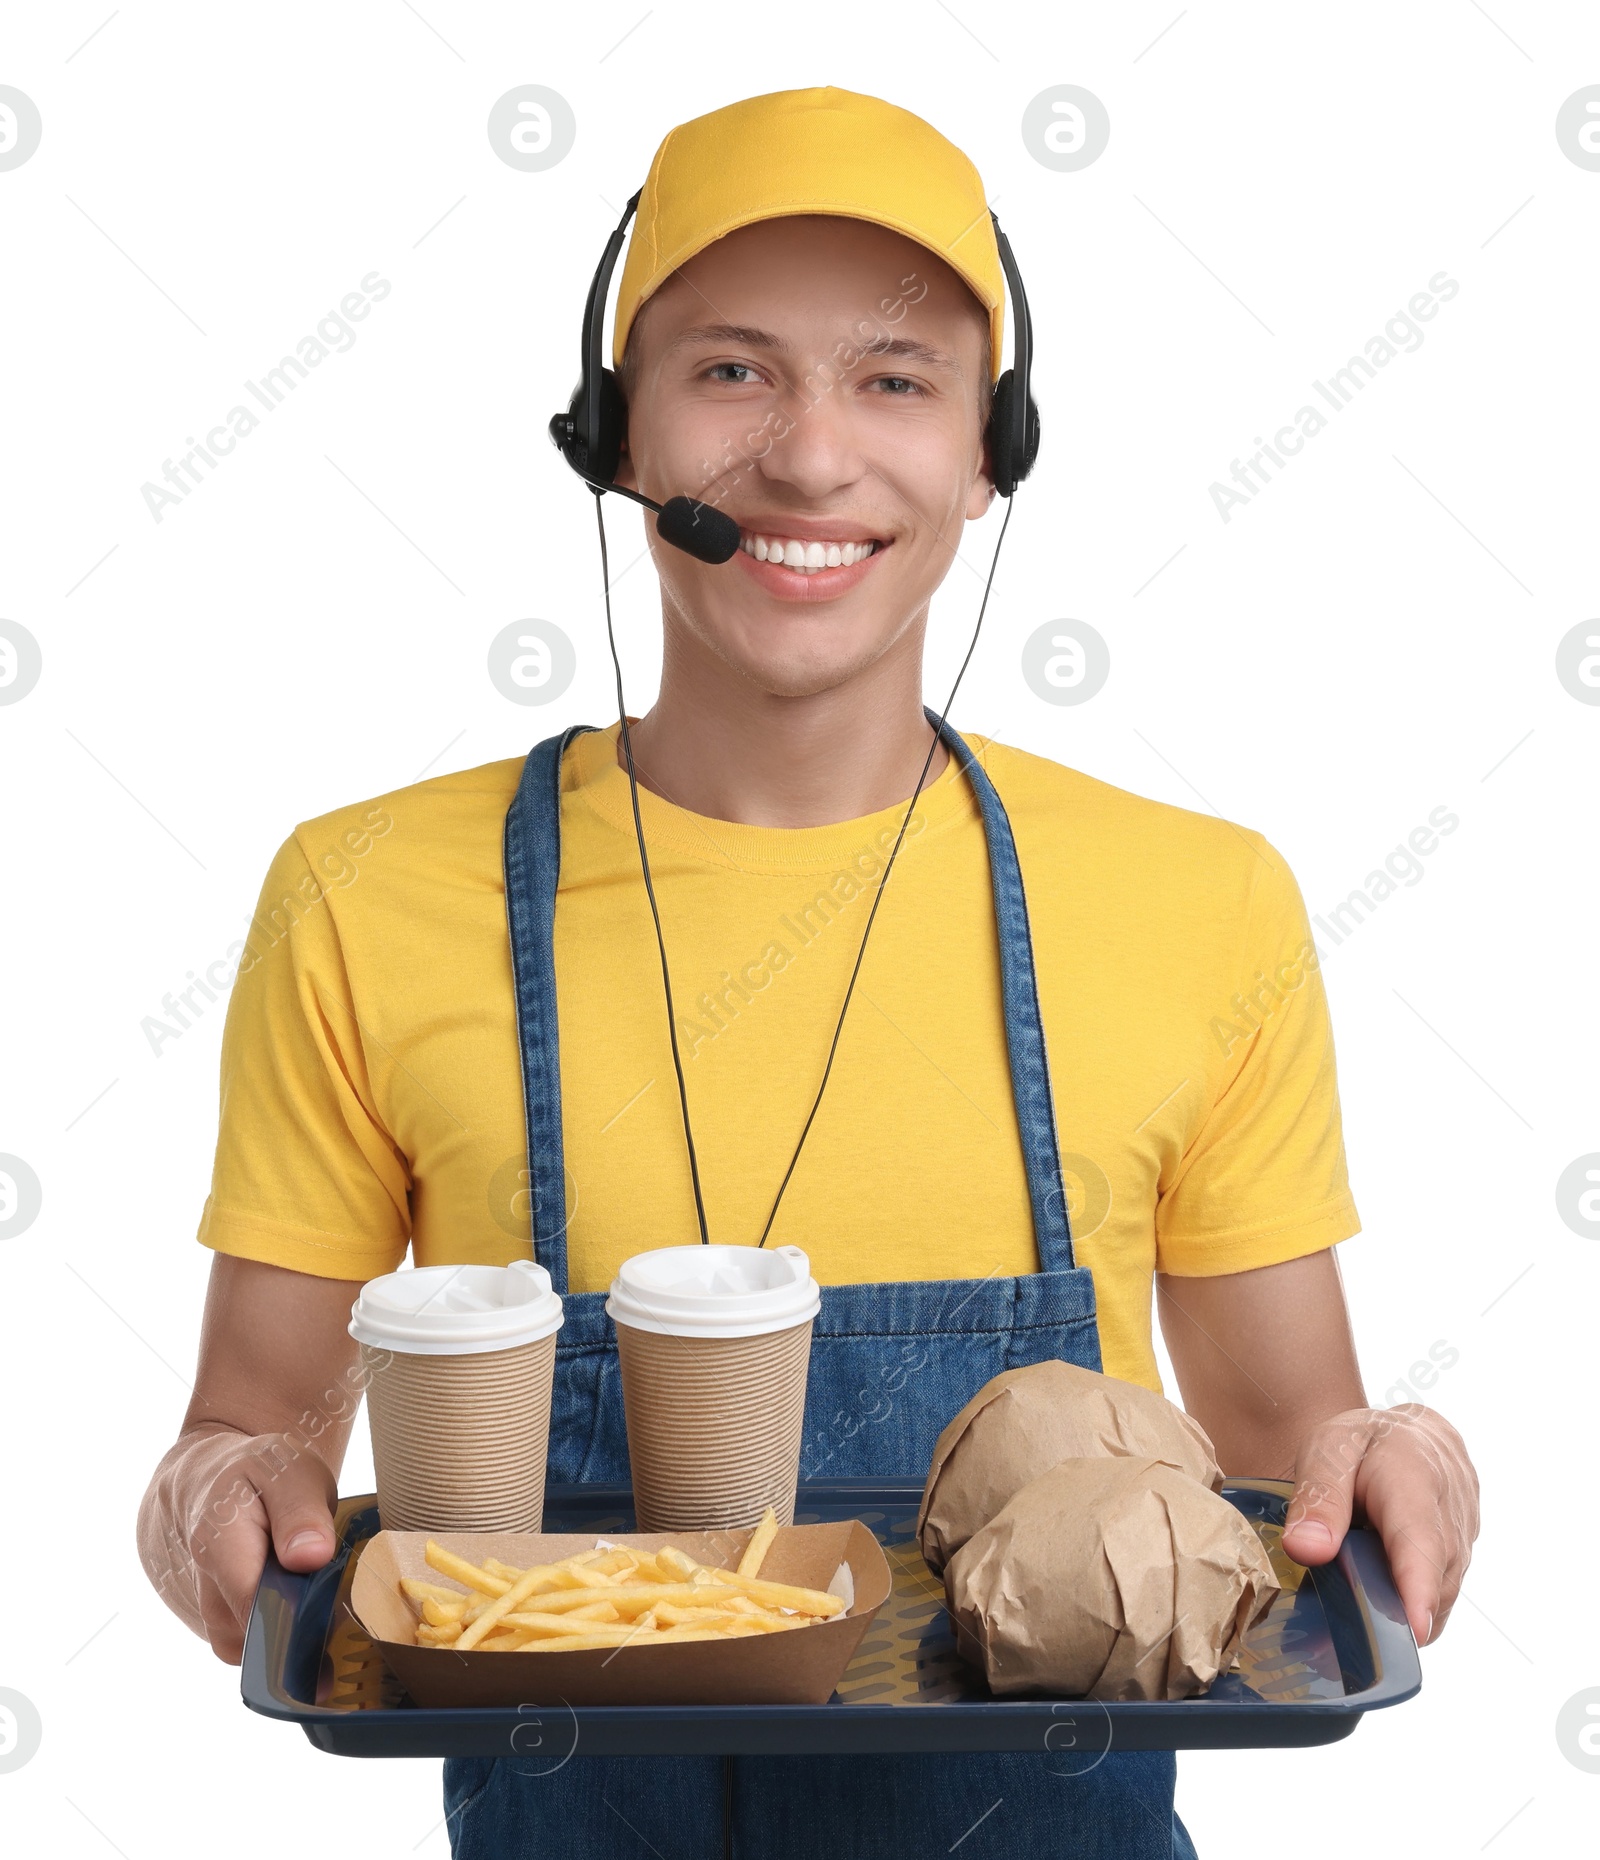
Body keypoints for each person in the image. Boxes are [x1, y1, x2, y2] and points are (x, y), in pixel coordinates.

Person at [138, 86, 1479, 1858]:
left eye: (899, 380)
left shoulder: (1201, 903)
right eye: (733, 372)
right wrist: (213, 1493)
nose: (812, 456)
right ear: (617, 435)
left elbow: (1280, 1469)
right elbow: (246, 1436)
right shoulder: (366, 896)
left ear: (990, 452)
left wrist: (1387, 1456)